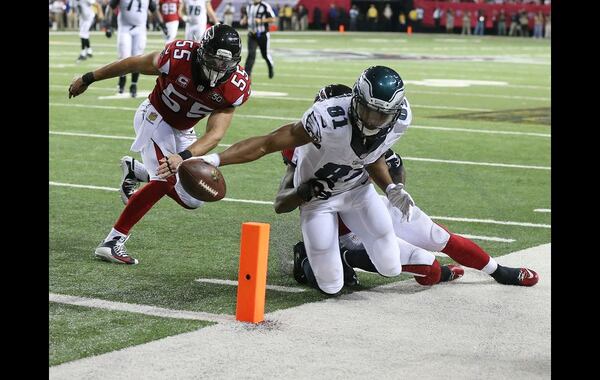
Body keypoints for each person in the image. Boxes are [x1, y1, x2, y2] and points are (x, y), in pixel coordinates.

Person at [278, 83, 539, 289]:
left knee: (437, 236)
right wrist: (305, 193)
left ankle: (498, 271)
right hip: (341, 227)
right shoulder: (305, 145)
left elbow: (395, 163)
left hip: (370, 206)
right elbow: (284, 198)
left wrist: (396, 189)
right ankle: (337, 255)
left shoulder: (367, 131)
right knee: (431, 269)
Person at [68, 24, 251, 265]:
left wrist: (183, 156)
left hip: (184, 130)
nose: (218, 68)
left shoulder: (235, 87)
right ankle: (113, 241)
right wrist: (88, 77)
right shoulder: (177, 57)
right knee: (165, 179)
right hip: (155, 118)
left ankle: (137, 170)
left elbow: (215, 134)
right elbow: (132, 63)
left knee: (193, 199)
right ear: (201, 51)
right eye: (213, 59)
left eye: (224, 63)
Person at [104, 0, 168, 98]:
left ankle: (134, 84)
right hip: (124, 28)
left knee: (138, 56)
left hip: (140, 29)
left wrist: (162, 24)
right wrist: (107, 24)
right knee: (124, 56)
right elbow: (110, 7)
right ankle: (122, 80)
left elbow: (154, 9)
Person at [240, 0, 276, 79]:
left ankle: (270, 67)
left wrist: (262, 20)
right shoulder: (249, 6)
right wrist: (244, 20)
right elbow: (247, 17)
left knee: (265, 55)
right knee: (251, 55)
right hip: (251, 34)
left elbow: (273, 19)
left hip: (262, 34)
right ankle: (246, 76)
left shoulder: (265, 6)